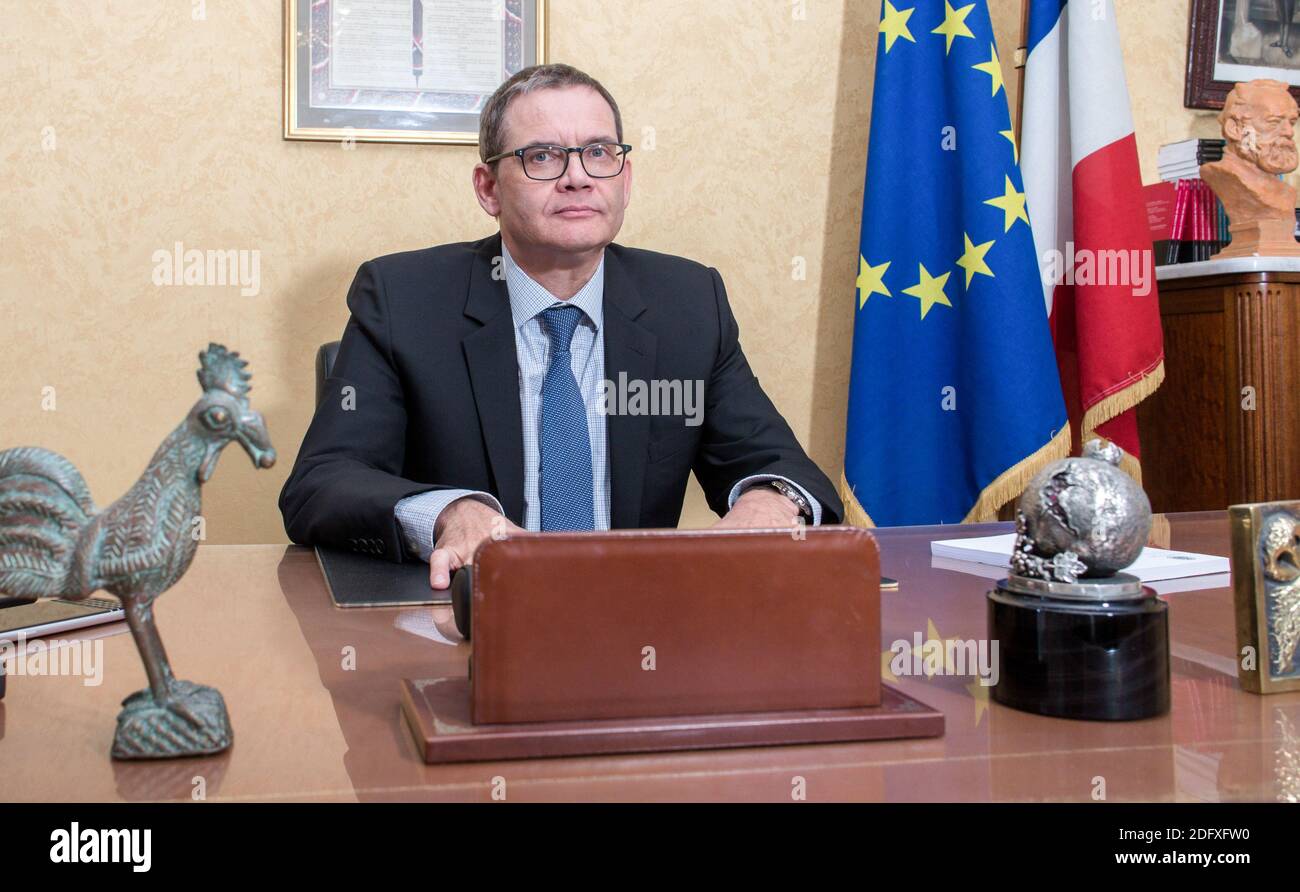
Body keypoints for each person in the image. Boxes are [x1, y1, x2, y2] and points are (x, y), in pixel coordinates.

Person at [279, 63, 842, 590]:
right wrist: (453, 512)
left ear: (625, 178)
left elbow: (778, 464)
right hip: (465, 628)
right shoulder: (404, 299)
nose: (577, 178)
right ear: (488, 189)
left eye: (598, 152)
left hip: (639, 628)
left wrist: (768, 504)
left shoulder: (687, 303)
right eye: (543, 156)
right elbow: (320, 484)